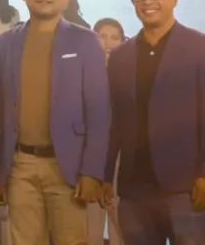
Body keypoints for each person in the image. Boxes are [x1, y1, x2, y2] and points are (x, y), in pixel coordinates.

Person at [0, 0, 110, 245]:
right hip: (19, 165)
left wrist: (92, 171)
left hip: (68, 166)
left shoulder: (86, 41)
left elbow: (99, 113)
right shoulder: (4, 43)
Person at [108, 0, 205, 245]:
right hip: (133, 189)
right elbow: (115, 120)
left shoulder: (202, 46)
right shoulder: (120, 56)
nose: (147, 1)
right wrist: (104, 176)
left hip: (185, 187)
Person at [89, 17, 128, 245]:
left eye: (115, 38)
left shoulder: (128, 78)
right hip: (91, 162)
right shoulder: (83, 76)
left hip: (122, 160)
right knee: (89, 230)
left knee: (120, 225)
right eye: (102, 36)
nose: (108, 43)